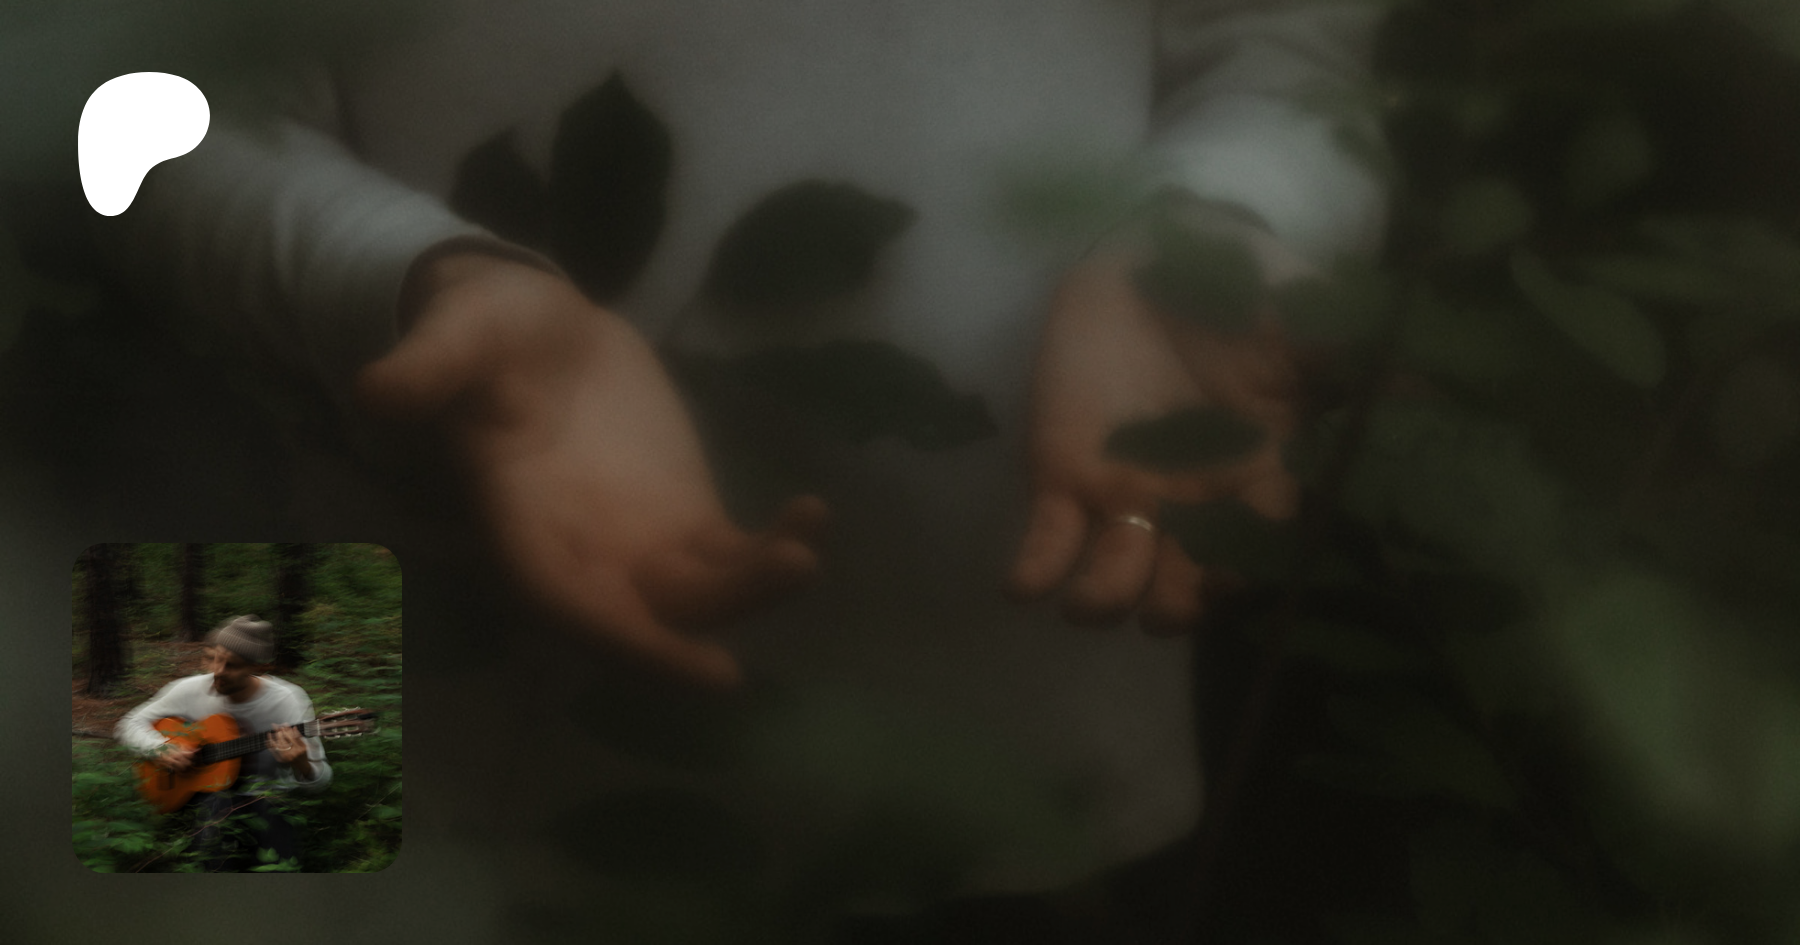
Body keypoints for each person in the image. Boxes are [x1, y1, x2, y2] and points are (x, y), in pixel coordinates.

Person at [100, 0, 1386, 932]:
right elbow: (105, 102)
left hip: (1011, 672)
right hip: (264, 604)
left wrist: (1227, 231)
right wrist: (394, 277)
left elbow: (1289, 52)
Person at [114, 615, 331, 872]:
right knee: (216, 806)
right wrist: (160, 748)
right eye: (216, 658)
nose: (218, 671)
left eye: (232, 665)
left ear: (258, 668)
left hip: (268, 797)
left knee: (272, 817)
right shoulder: (190, 690)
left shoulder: (288, 701)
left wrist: (302, 764)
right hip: (203, 796)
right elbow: (129, 723)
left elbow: (322, 779)